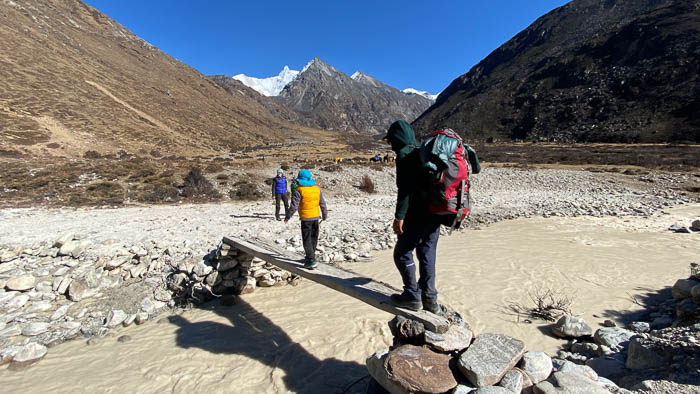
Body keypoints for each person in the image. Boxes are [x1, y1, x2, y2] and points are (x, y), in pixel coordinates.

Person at [383, 120, 443, 314]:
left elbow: (405, 190)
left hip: (416, 215)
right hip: (435, 214)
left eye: (391, 141)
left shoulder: (404, 155)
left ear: (397, 138)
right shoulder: (423, 152)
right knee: (427, 255)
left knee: (401, 253)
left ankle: (412, 295)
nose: (390, 145)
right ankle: (430, 300)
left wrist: (399, 216)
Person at [284, 169, 328, 269]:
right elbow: (323, 204)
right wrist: (325, 215)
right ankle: (311, 257)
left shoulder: (299, 190)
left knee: (307, 239)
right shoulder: (316, 189)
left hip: (306, 219)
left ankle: (310, 260)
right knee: (314, 238)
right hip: (316, 217)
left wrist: (287, 217)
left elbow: (294, 206)